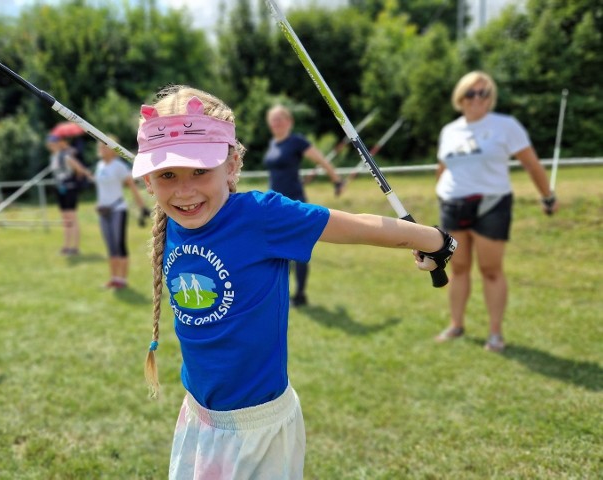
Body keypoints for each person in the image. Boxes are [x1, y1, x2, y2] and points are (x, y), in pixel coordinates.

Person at [132, 86, 457, 479]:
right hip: (199, 417)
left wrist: (434, 240)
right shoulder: (177, 221)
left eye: (200, 171)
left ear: (232, 164)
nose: (184, 191)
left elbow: (359, 227)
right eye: (167, 174)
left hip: (258, 429)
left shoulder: (262, 217)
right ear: (148, 180)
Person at [433, 71, 558, 353]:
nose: (477, 99)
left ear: (491, 98)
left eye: (484, 93)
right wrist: (438, 192)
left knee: (490, 270)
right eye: (471, 93)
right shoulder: (449, 131)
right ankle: (456, 324)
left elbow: (532, 164)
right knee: (458, 267)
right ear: (460, 97)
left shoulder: (506, 126)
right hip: (453, 205)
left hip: (491, 204)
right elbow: (442, 168)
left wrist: (547, 196)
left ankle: (495, 333)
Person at [264, 104, 344, 307]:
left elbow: (322, 161)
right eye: (273, 120)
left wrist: (336, 180)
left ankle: (300, 295)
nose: (276, 123)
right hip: (274, 205)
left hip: (293, 203)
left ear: (289, 122)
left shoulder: (296, 141)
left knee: (297, 249)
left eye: (280, 119)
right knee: (277, 250)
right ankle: (279, 292)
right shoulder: (273, 144)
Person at [93, 137, 147, 289]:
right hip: (104, 211)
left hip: (117, 209)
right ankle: (114, 277)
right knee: (110, 246)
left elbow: (132, 187)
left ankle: (122, 280)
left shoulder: (119, 166)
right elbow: (101, 189)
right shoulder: (99, 166)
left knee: (119, 244)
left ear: (113, 149)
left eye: (105, 147)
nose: (102, 149)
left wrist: (142, 207)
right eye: (101, 147)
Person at [46, 133, 93, 256]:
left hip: (69, 189)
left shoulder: (66, 156)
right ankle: (66, 246)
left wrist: (79, 179)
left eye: (53, 143)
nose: (51, 146)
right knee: (65, 219)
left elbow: (80, 169)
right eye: (50, 144)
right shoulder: (53, 157)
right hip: (60, 189)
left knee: (72, 218)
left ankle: (75, 247)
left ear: (59, 144)